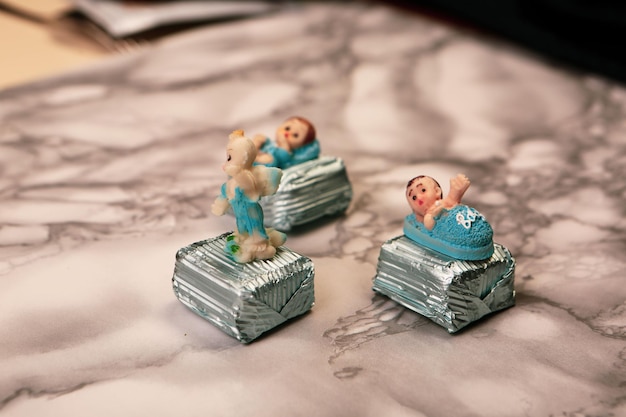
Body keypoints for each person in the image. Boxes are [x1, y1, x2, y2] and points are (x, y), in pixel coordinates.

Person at [211, 130, 286, 262]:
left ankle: (261, 246)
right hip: (239, 212)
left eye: (230, 157)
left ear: (245, 157)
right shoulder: (229, 184)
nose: (227, 162)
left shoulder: (249, 177)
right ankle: (243, 239)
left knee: (255, 227)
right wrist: (220, 206)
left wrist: (239, 173)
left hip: (252, 211)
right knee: (241, 226)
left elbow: (250, 188)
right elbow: (225, 195)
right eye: (228, 157)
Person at [253, 116, 320, 168]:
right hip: (262, 152)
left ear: (301, 146)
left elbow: (282, 158)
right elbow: (269, 145)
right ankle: (251, 149)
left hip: (273, 162)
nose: (288, 134)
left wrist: (284, 144)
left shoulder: (288, 153)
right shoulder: (274, 143)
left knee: (269, 160)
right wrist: (263, 140)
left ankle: (254, 159)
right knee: (259, 139)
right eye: (287, 128)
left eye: (295, 135)